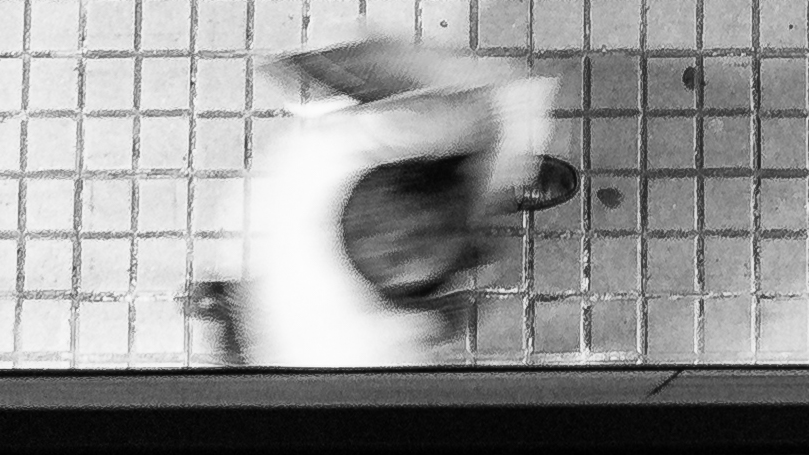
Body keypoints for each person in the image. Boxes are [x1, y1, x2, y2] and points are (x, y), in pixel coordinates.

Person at [189, 31, 574, 366]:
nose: (410, 227)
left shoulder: (324, 153)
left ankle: (493, 182)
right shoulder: (360, 347)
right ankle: (493, 190)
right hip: (346, 314)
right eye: (412, 242)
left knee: (467, 130)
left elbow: (462, 96)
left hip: (396, 164)